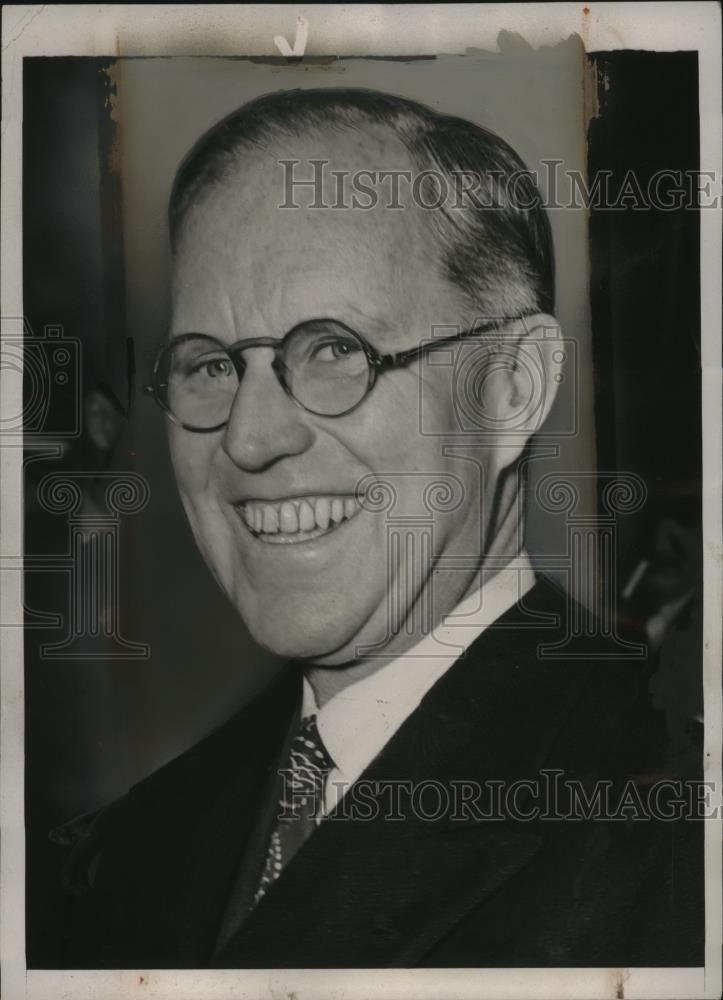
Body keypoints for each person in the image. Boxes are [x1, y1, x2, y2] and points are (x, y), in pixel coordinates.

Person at [52, 88, 702, 969]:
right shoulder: (132, 845)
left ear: (512, 388)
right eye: (209, 365)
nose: (247, 438)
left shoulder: (667, 827)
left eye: (333, 350)